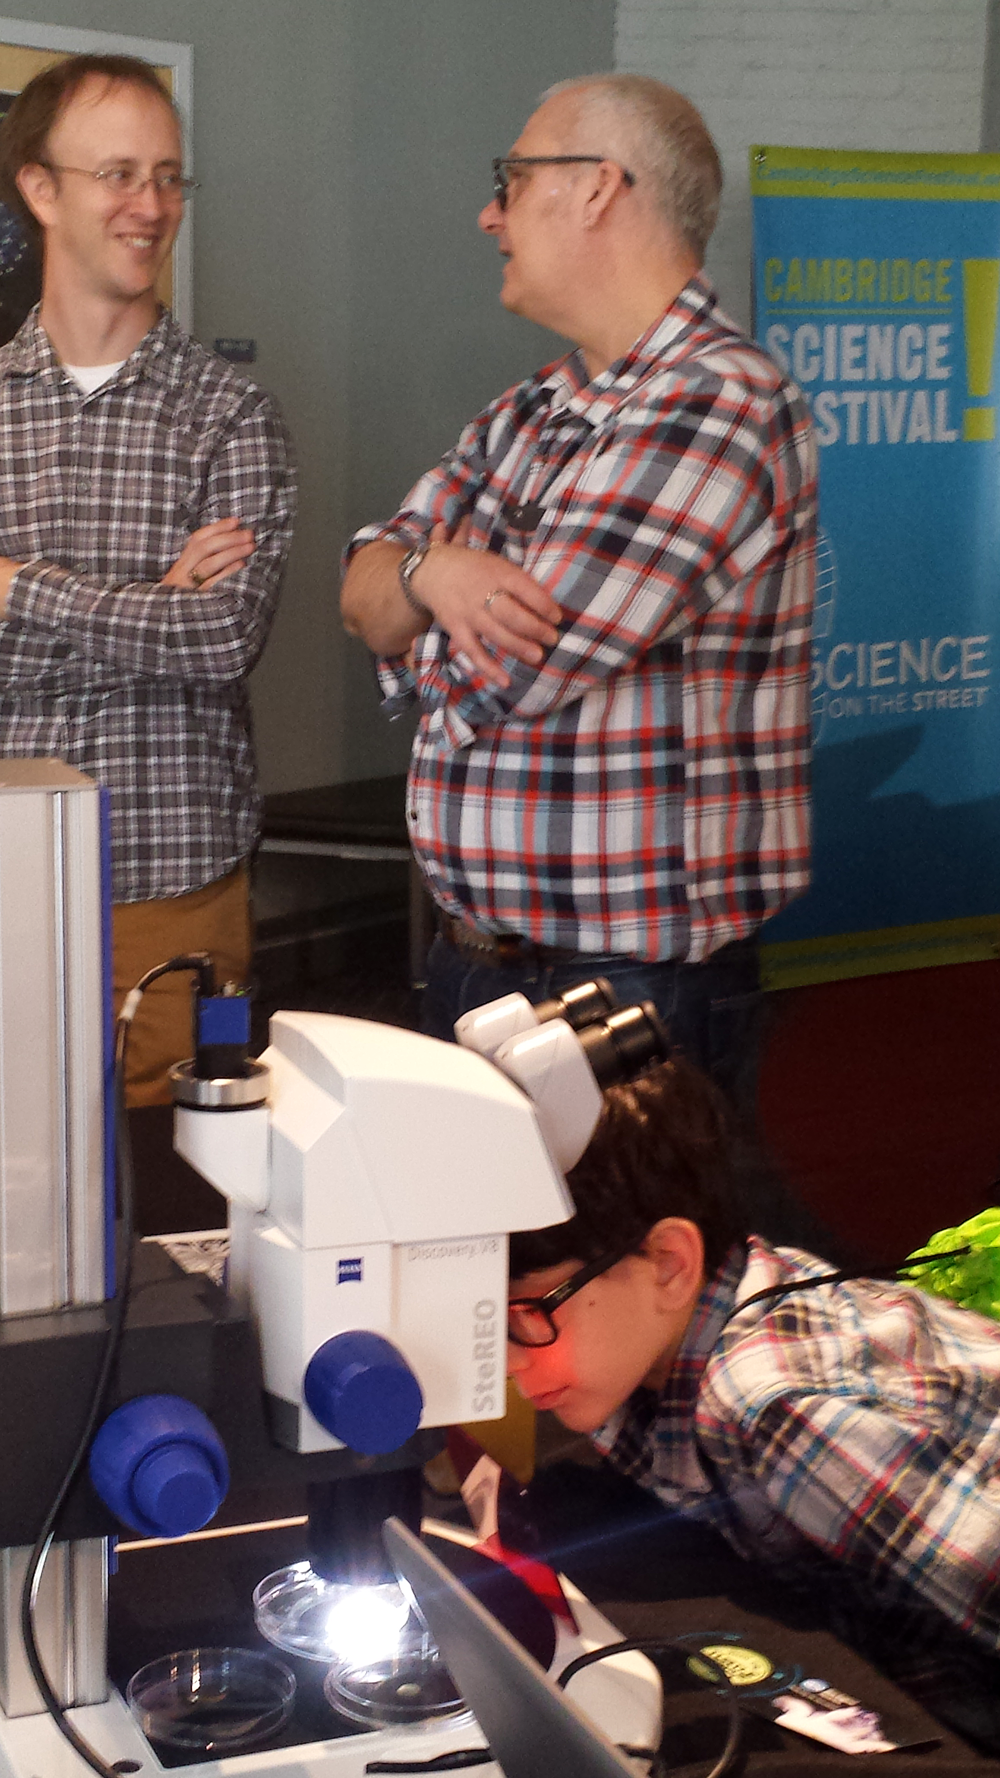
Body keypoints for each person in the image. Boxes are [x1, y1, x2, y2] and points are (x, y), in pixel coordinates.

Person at [341, 74, 815, 1109]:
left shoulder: (720, 400)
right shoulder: (524, 410)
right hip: (478, 965)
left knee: (625, 1273)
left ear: (598, 189)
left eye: (511, 179)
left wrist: (415, 577)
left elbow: (509, 665)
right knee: (489, 1271)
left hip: (624, 989)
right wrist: (433, 573)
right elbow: (360, 592)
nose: (488, 211)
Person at [506, 1058, 1000, 1748]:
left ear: (671, 1263)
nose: (505, 1357)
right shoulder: (653, 1345)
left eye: (527, 1313)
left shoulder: (784, 1413)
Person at [0, 54, 295, 1105]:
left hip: (174, 898)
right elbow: (179, 636)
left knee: (179, 1216)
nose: (152, 205)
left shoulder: (230, 416)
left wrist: (15, 586)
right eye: (119, 173)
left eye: (169, 176)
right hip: (6, 885)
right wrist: (149, 605)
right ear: (40, 187)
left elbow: (221, 639)